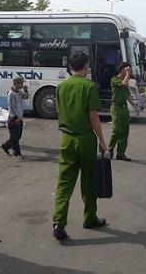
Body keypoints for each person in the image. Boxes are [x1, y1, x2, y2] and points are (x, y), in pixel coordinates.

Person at [52, 52, 108, 241]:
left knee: (64, 182)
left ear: (70, 67)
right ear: (85, 67)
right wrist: (102, 140)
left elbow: (60, 111)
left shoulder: (61, 87)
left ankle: (59, 222)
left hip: (67, 139)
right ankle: (89, 217)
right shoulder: (89, 87)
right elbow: (93, 116)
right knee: (88, 181)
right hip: (85, 139)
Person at [109, 62, 140, 161]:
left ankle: (121, 153)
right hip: (116, 107)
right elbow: (124, 83)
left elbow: (128, 95)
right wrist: (127, 74)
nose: (128, 72)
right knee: (117, 130)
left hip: (124, 108)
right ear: (121, 70)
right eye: (126, 70)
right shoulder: (114, 79)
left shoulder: (124, 80)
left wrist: (135, 107)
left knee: (125, 131)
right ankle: (110, 148)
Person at [1, 77, 29, 157]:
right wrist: (15, 117)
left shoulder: (19, 92)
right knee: (15, 137)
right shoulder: (11, 94)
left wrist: (26, 90)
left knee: (18, 136)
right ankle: (15, 151)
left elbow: (26, 97)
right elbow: (11, 107)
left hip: (19, 117)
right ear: (16, 84)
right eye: (21, 83)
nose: (22, 85)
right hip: (13, 118)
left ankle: (9, 147)